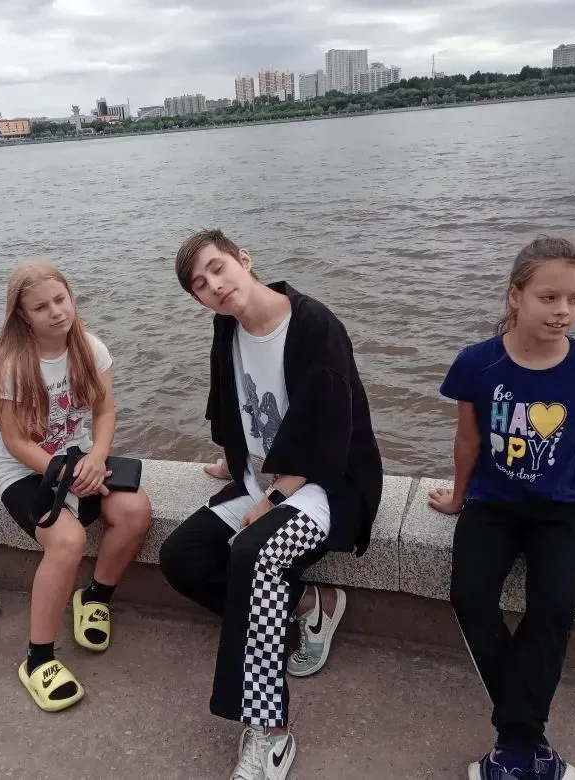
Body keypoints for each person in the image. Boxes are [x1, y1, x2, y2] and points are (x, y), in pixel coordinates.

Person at [160, 229, 383, 780]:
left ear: (244, 259)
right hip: (259, 480)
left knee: (253, 555)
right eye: (200, 284)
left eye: (218, 268)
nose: (214, 285)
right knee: (182, 557)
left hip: (324, 486)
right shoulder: (227, 329)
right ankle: (308, 605)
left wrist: (274, 498)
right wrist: (233, 463)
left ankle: (271, 732)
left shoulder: (313, 326)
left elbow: (330, 436)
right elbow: (230, 406)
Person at [428, 236, 575, 780]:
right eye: (549, 298)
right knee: (470, 596)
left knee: (553, 610)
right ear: (516, 296)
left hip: (561, 511)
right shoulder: (477, 363)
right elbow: (468, 441)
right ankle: (527, 742)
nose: (562, 311)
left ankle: (514, 745)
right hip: (492, 505)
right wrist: (458, 497)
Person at [0, 261, 151, 712]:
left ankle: (95, 597)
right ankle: (38, 658)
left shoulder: (90, 349)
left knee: (135, 511)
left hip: (80, 460)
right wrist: (63, 472)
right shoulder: (11, 366)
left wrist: (96, 457)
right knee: (68, 541)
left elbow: (104, 413)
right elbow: (16, 442)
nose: (56, 312)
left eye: (61, 300)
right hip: (26, 472)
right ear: (22, 316)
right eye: (41, 307)